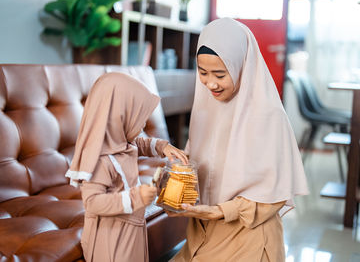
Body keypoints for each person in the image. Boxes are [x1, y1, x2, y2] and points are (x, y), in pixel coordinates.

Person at [168, 18, 309, 261]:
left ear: (242, 66)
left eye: (220, 74)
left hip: (246, 236)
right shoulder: (205, 108)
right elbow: (198, 163)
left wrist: (220, 211)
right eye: (203, 72)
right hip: (202, 232)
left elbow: (274, 196)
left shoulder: (269, 117)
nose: (210, 83)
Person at [65, 72, 188, 262]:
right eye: (139, 118)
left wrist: (163, 146)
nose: (144, 124)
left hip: (130, 227)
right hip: (112, 237)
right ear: (118, 117)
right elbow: (92, 202)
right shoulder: (100, 161)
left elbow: (139, 144)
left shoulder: (120, 142)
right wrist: (135, 197)